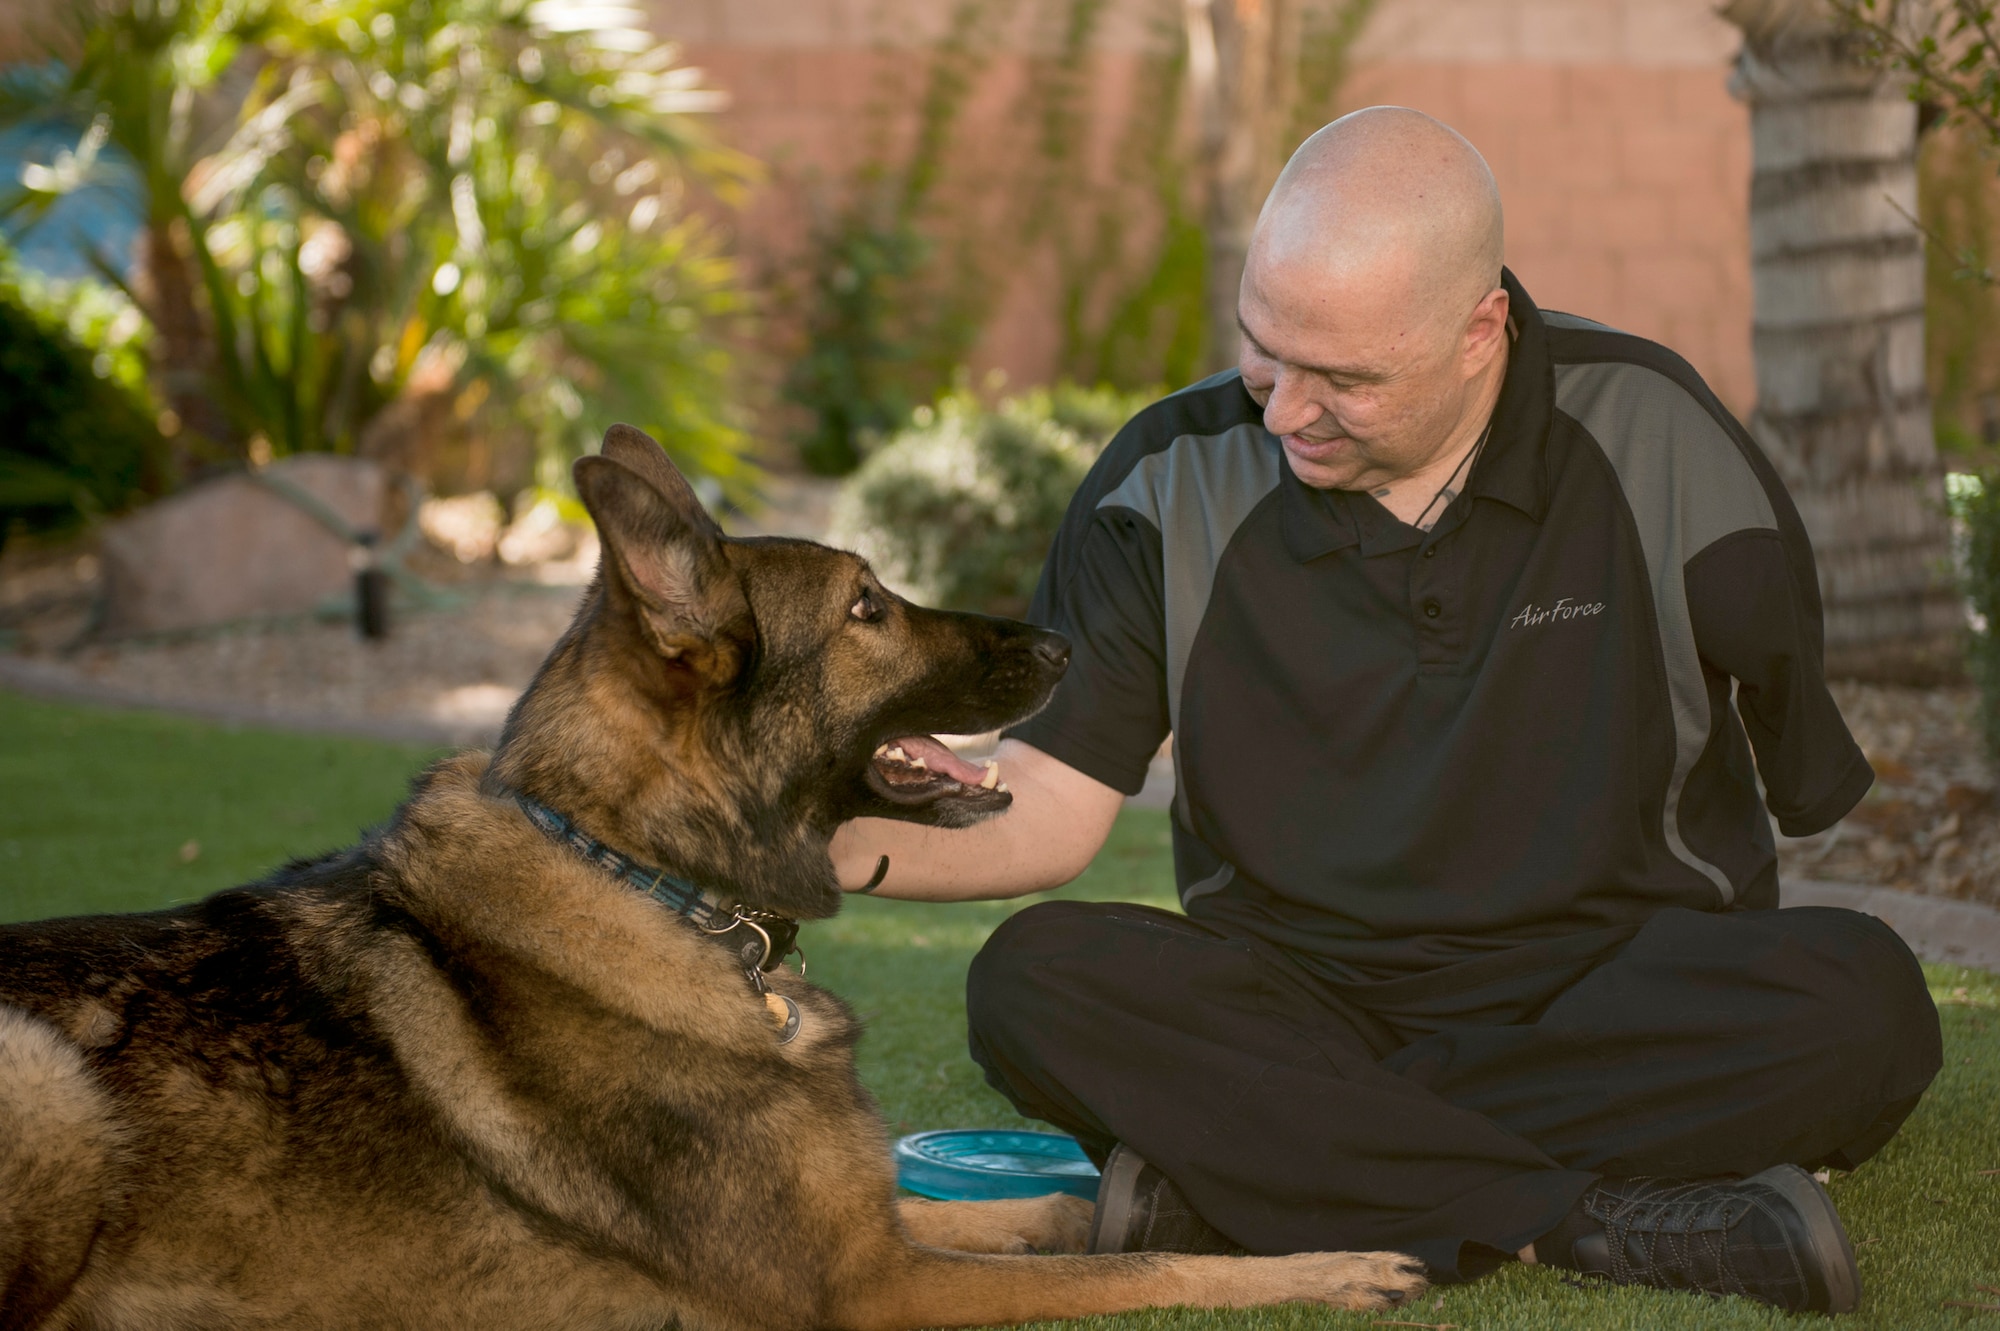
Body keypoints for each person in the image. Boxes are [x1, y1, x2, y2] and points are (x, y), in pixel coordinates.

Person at [828, 107, 1941, 1315]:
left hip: (1609, 992)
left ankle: (1262, 1172)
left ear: (1479, 331)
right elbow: (1045, 798)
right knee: (1034, 982)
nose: (1284, 410)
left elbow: (1797, 771)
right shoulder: (1165, 474)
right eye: (1263, 347)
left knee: (1861, 1003)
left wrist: (1290, 1122)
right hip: (1298, 1002)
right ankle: (1582, 1220)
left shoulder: (1658, 432)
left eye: (1345, 378)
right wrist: (802, 834)